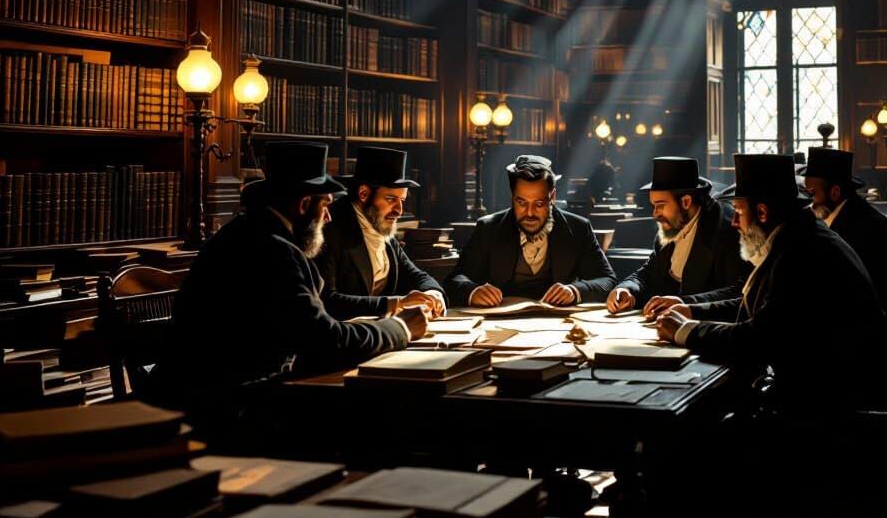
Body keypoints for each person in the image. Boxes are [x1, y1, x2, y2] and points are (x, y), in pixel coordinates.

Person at [157, 142, 429, 435]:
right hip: (223, 408)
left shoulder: (251, 232)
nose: (328, 217)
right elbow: (327, 340)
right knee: (378, 421)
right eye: (325, 205)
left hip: (221, 392)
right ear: (303, 204)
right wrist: (400, 329)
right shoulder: (273, 251)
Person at [656, 153, 887, 414]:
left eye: (739, 212)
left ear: (762, 212)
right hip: (823, 388)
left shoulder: (803, 254)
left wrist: (686, 331)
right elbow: (765, 306)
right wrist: (691, 310)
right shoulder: (797, 236)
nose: (734, 223)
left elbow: (758, 338)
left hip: (828, 406)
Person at [445, 154, 617, 307]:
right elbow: (454, 280)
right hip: (499, 326)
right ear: (512, 197)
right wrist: (473, 292)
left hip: (559, 328)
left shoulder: (578, 228)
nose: (529, 213)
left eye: (539, 204)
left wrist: (575, 291)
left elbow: (608, 280)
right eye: (521, 202)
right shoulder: (489, 228)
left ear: (552, 197)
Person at [799, 146, 887, 344]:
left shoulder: (865, 227)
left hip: (876, 335)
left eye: (812, 194)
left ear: (835, 192)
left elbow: (847, 295)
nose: (809, 203)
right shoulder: (846, 215)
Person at [606, 156, 748, 315]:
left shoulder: (726, 230)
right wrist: (626, 289)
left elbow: (738, 292)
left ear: (686, 202)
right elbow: (648, 272)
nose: (655, 213)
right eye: (653, 206)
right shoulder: (671, 226)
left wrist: (685, 303)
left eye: (660, 205)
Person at [316, 146, 445, 320]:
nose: (399, 210)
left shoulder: (379, 224)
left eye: (402, 200)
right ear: (363, 193)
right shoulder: (329, 228)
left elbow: (416, 275)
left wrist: (433, 293)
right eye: (391, 199)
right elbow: (327, 301)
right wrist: (394, 304)